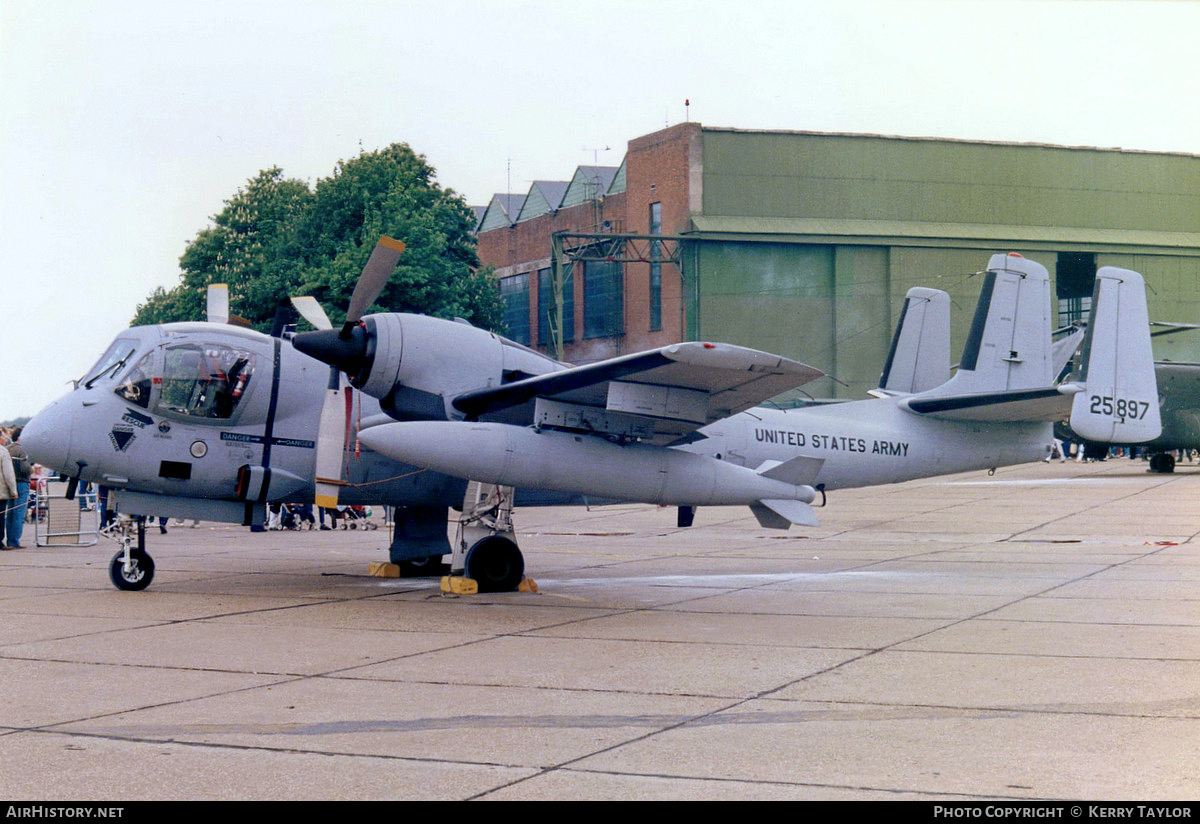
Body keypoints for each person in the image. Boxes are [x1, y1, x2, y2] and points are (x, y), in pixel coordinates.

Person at [5, 427, 31, 547]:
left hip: (9, 484)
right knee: (19, 513)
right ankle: (14, 541)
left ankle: (10, 539)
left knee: (10, 513)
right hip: (21, 483)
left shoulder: (7, 449)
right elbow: (25, 468)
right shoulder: (22, 450)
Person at [0, 431, 16, 548]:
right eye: (3, 437)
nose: (5, 439)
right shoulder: (3, 452)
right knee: (0, 517)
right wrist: (13, 490)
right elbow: (8, 474)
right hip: (1, 492)